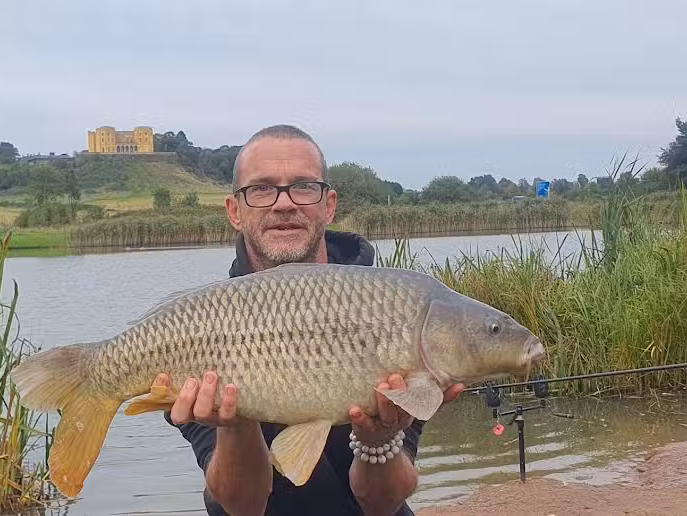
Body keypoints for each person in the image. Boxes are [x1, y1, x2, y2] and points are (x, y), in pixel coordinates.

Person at [155, 125, 464, 516]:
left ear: (329, 204)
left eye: (303, 186)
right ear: (235, 211)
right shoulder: (199, 326)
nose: (284, 203)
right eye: (262, 189)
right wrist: (234, 423)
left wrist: (379, 438)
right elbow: (243, 506)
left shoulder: (393, 307)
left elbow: (383, 502)